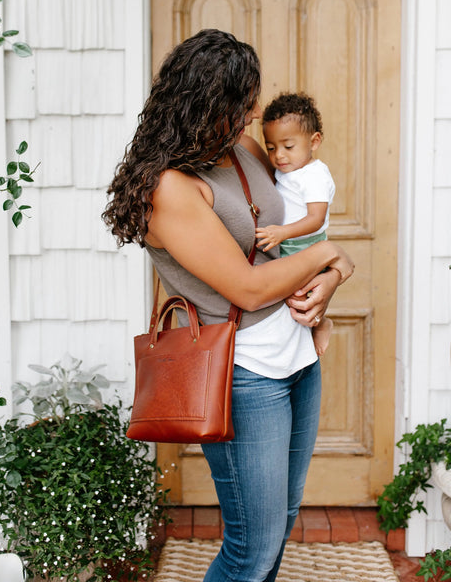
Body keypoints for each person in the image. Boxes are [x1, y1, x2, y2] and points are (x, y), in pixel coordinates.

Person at [102, 29, 353, 582]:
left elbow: (293, 237)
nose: (254, 114)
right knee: (250, 546)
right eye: (242, 102)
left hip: (296, 355)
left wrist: (331, 273)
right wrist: (331, 256)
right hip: (244, 374)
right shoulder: (170, 188)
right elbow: (247, 287)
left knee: (279, 523)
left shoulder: (239, 149)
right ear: (203, 104)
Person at [256, 93, 336, 357]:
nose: (279, 155)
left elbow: (315, 219)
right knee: (289, 300)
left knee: (303, 298)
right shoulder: (286, 170)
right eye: (271, 147)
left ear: (314, 141)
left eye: (288, 147)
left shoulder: (313, 175)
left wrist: (282, 232)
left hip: (306, 246)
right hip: (287, 245)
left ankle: (321, 324)